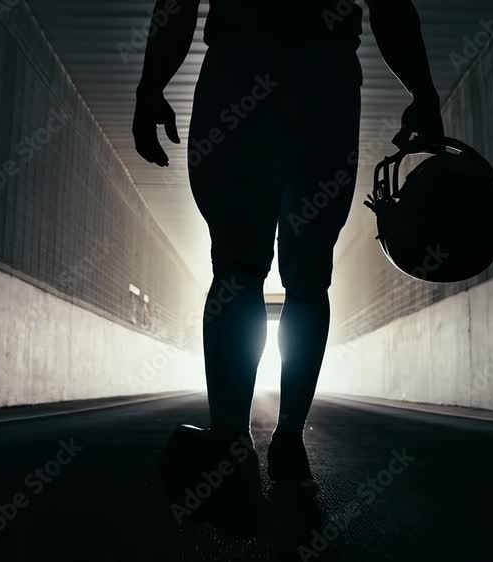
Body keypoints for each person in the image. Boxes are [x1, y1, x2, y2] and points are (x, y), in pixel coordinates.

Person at [133, 0, 444, 491]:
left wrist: (152, 85)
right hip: (325, 77)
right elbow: (390, 6)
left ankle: (231, 442)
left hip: (238, 67)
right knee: (307, 276)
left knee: (237, 266)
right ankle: (289, 441)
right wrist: (423, 92)